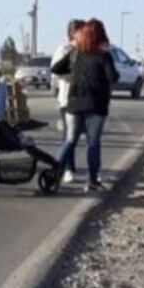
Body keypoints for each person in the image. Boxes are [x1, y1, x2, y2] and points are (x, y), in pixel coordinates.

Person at [52, 19, 119, 192]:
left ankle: (54, 172)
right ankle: (92, 181)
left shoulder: (75, 54)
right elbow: (113, 78)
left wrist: (74, 70)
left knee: (70, 140)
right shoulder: (104, 56)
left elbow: (57, 69)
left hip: (74, 103)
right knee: (93, 143)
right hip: (97, 105)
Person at [52, 19, 84, 183]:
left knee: (75, 136)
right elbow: (56, 72)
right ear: (72, 33)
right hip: (67, 98)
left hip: (83, 99)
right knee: (69, 136)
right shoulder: (64, 49)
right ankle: (65, 169)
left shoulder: (85, 50)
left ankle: (67, 167)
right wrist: (75, 76)